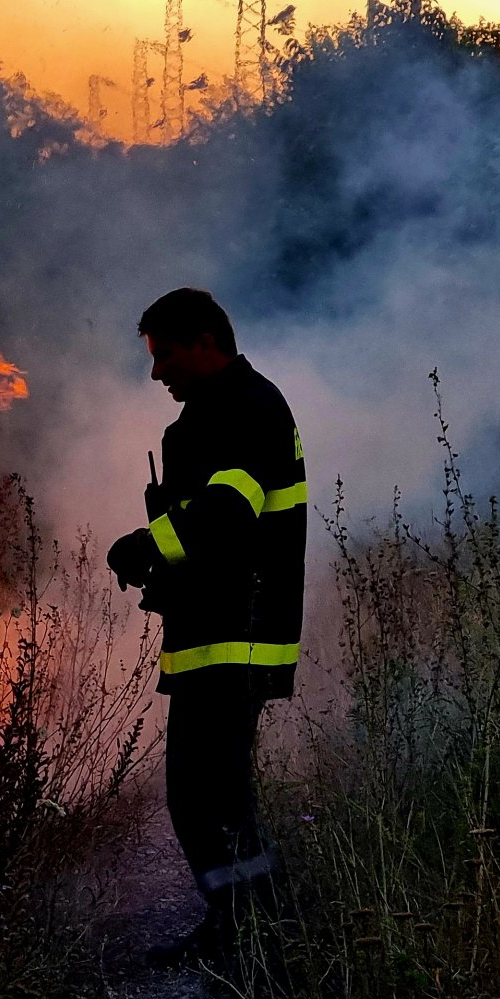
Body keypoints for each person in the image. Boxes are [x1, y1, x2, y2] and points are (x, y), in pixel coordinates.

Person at [106, 288, 306, 964]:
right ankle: (240, 928)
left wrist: (145, 544)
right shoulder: (209, 417)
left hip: (237, 635)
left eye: (165, 356)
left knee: (207, 794)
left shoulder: (247, 409)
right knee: (206, 794)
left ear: (204, 341)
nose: (158, 372)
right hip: (211, 635)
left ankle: (260, 937)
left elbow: (226, 516)